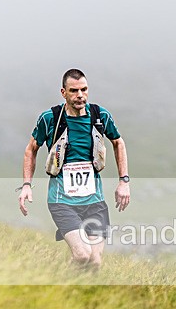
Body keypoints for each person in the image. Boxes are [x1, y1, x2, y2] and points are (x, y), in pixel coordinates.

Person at [18, 68, 131, 269]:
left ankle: (82, 295)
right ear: (63, 93)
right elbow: (31, 150)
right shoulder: (50, 118)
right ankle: (56, 282)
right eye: (73, 91)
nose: (80, 95)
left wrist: (124, 181)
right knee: (82, 255)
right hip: (62, 201)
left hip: (95, 200)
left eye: (84, 89)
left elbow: (118, 142)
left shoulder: (100, 115)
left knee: (95, 261)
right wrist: (27, 185)